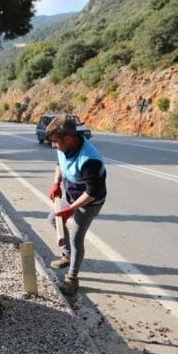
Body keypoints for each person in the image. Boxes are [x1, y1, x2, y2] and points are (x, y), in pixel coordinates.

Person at [45, 115, 107, 296]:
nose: (53, 146)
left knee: (75, 238)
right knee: (52, 220)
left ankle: (72, 279)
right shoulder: (64, 146)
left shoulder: (90, 160)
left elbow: (92, 193)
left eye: (56, 142)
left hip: (89, 202)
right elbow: (60, 163)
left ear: (69, 138)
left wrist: (70, 210)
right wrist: (56, 183)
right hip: (73, 196)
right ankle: (67, 255)